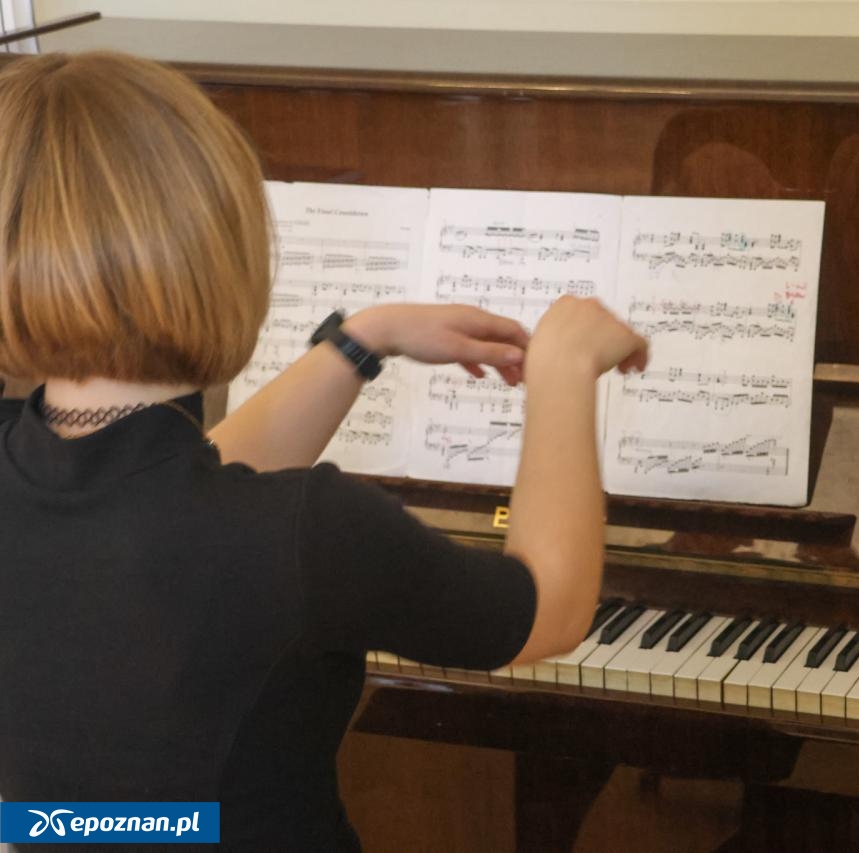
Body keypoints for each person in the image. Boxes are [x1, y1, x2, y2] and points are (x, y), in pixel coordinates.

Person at [0, 51, 646, 851]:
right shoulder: (315, 530)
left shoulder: (41, 468)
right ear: (221, 256)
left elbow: (169, 493)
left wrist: (362, 340)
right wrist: (563, 370)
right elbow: (546, 611)